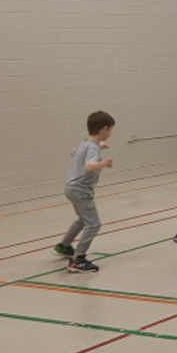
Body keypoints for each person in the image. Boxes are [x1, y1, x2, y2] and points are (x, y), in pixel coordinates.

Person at [53, 111, 115, 273]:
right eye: (110, 130)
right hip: (81, 190)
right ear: (104, 129)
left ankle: (64, 246)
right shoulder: (92, 148)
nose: (110, 134)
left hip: (71, 187)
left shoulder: (84, 144)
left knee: (83, 219)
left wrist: (99, 145)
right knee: (93, 224)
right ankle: (78, 260)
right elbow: (88, 166)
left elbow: (74, 152)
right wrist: (103, 163)